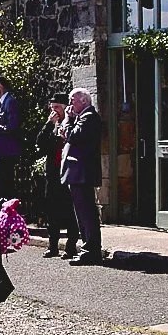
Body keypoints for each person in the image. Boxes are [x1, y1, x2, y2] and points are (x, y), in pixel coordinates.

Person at [61, 88, 107, 265]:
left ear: (84, 101)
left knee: (87, 213)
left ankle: (91, 250)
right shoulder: (82, 117)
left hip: (83, 172)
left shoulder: (89, 117)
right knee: (81, 213)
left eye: (73, 100)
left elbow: (73, 136)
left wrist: (67, 121)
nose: (70, 104)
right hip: (78, 172)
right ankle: (87, 248)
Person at [35, 96, 78, 259]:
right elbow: (40, 143)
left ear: (65, 108)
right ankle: (53, 246)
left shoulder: (72, 122)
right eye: (52, 108)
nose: (54, 111)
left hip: (68, 173)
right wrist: (49, 124)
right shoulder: (51, 125)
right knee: (52, 211)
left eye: (57, 108)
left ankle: (71, 247)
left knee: (69, 211)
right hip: (53, 174)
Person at [0, 75, 23, 208]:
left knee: (7, 187)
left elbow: (12, 127)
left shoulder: (10, 102)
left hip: (7, 152)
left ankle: (10, 215)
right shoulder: (1, 104)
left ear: (0, 86)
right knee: (1, 188)